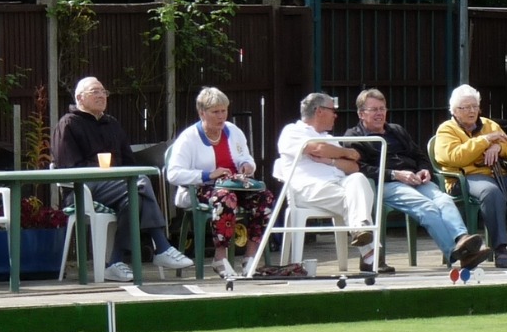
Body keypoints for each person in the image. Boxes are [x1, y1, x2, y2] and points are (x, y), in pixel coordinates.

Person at [52, 75, 194, 281]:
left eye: (103, 92)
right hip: (82, 189)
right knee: (141, 183)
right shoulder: (68, 124)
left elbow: (129, 162)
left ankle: (115, 261)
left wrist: (120, 176)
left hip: (119, 189)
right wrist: (104, 171)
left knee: (134, 196)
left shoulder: (112, 124)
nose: (102, 96)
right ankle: (161, 246)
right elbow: (68, 167)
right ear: (80, 98)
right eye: (95, 92)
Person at [345, 89, 486, 270]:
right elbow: (359, 168)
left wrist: (424, 170)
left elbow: (419, 155)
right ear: (361, 113)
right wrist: (394, 174)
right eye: (374, 110)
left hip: (415, 179)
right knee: (426, 207)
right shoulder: (354, 136)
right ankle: (457, 253)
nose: (379, 113)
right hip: (386, 183)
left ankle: (462, 239)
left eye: (382, 108)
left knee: (444, 200)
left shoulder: (396, 130)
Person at [432, 84, 507, 270]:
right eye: (466, 107)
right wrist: (485, 141)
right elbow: (453, 157)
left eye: (475, 106)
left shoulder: (490, 125)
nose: (472, 111)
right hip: (465, 179)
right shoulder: (446, 130)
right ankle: (500, 249)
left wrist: (499, 148)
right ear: (455, 110)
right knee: (491, 192)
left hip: (499, 174)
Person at [165, 86, 272, 279]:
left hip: (235, 186)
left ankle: (250, 257)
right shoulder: (189, 138)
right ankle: (220, 257)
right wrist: (208, 175)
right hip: (202, 189)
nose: (221, 116)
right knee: (225, 198)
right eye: (215, 112)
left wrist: (247, 166)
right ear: (202, 113)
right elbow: (173, 174)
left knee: (264, 198)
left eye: (224, 111)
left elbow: (246, 158)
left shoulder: (234, 131)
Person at [274, 92, 387, 273]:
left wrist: (331, 159)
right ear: (319, 111)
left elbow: (354, 166)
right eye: (332, 110)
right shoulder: (292, 131)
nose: (335, 115)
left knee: (358, 180)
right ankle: (370, 254)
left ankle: (361, 232)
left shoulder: (329, 137)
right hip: (308, 189)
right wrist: (344, 153)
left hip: (338, 186)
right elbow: (319, 148)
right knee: (354, 200)